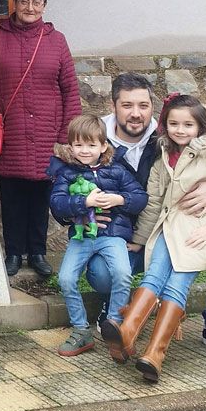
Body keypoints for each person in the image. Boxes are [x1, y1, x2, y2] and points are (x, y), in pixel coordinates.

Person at [86, 73, 206, 364]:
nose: (135, 113)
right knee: (102, 273)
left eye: (143, 105)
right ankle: (118, 312)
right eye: (127, 105)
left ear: (153, 108)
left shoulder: (166, 138)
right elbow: (66, 179)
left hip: (184, 228)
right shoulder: (96, 139)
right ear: (114, 106)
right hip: (129, 233)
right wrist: (81, 211)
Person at [0, 0, 79, 277]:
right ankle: (14, 253)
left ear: (44, 6)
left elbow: (70, 89)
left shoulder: (56, 40)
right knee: (12, 196)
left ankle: (38, 252)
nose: (29, 7)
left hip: (47, 133)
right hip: (12, 132)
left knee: (41, 196)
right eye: (24, 1)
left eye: (36, 2)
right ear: (14, 4)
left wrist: (66, 137)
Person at [47, 115, 147, 357]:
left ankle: (114, 324)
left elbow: (140, 197)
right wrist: (85, 202)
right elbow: (57, 204)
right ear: (70, 146)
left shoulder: (117, 170)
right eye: (79, 145)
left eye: (91, 145)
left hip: (112, 236)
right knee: (66, 278)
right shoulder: (67, 173)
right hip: (81, 238)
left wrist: (119, 199)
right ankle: (81, 330)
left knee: (122, 274)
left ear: (103, 146)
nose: (84, 150)